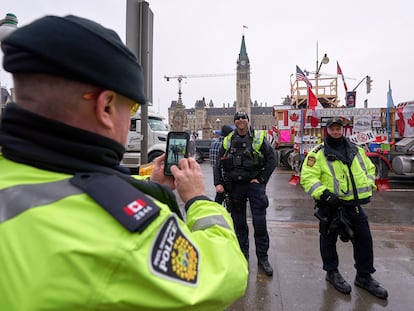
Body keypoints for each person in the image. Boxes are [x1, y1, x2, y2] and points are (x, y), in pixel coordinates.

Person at [0, 15, 248, 310]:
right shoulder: (123, 235)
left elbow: (58, 185)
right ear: (104, 107)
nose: (130, 117)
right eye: (129, 106)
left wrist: (146, 186)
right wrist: (197, 199)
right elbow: (225, 275)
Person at [300, 117, 388, 299]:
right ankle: (332, 272)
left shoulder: (356, 150)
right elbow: (307, 177)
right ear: (327, 131)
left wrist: (369, 184)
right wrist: (325, 195)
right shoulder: (317, 153)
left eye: (338, 128)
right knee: (328, 240)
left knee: (364, 239)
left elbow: (370, 170)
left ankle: (364, 276)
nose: (336, 132)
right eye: (332, 129)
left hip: (353, 205)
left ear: (343, 130)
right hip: (330, 205)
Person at [214, 111, 277, 276]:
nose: (241, 120)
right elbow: (217, 164)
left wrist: (262, 178)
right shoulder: (228, 140)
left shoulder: (258, 138)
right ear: (235, 122)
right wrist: (218, 183)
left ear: (248, 121)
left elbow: (273, 158)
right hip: (235, 187)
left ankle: (263, 258)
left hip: (254, 186)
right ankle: (243, 255)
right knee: (239, 224)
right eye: (238, 118)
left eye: (243, 118)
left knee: (260, 224)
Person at [210, 125, 233, 204]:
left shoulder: (213, 144)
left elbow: (212, 160)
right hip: (225, 175)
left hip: (216, 174)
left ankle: (216, 212)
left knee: (219, 196)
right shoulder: (227, 145)